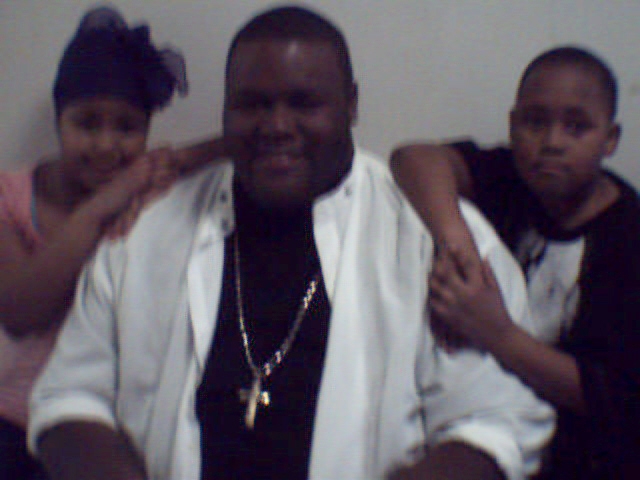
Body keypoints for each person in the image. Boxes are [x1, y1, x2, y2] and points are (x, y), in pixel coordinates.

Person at [28, 6, 553, 480]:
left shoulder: (434, 239)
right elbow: (68, 395)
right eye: (252, 104)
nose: (277, 126)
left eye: (304, 103)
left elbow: (495, 425)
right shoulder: (144, 230)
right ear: (225, 110)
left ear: (351, 105)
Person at [391, 46, 639, 479]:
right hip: (484, 426)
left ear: (610, 138)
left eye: (576, 126)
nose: (552, 142)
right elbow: (412, 158)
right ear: (512, 124)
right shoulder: (511, 177)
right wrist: (456, 242)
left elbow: (617, 398)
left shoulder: (627, 239)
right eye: (535, 122)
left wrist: (497, 333)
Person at [0, 6, 199, 478]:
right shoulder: (10, 196)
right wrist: (103, 205)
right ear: (59, 120)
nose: (106, 145)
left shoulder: (146, 188)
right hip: (12, 425)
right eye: (87, 123)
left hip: (104, 430)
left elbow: (237, 144)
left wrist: (154, 172)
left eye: (127, 127)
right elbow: (20, 311)